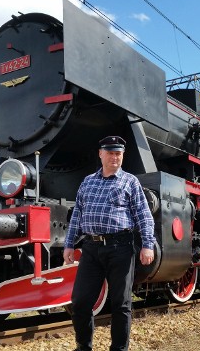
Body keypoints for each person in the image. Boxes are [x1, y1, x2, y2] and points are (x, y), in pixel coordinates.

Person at [63, 135, 156, 351]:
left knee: (121, 304)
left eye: (118, 153)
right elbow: (77, 214)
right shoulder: (87, 181)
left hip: (120, 247)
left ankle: (119, 349)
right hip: (91, 248)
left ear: (122, 156)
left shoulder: (130, 181)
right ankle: (83, 346)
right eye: (111, 153)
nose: (114, 157)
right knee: (80, 301)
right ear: (100, 154)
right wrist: (69, 244)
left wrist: (147, 244)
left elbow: (144, 215)